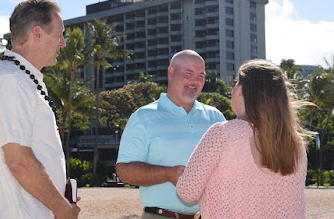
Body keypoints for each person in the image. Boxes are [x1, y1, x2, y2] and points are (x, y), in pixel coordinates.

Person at [0, 0, 80, 218]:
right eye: (60, 34)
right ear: (38, 34)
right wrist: (63, 209)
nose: (63, 43)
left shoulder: (22, 78)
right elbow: (19, 161)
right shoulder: (10, 80)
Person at [176, 59, 310, 218]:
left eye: (235, 82)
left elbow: (187, 192)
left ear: (241, 90)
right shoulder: (297, 146)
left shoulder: (223, 134)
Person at [116, 50, 225, 218]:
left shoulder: (216, 117)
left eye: (201, 76)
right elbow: (124, 171)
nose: (194, 82)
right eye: (188, 74)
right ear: (171, 73)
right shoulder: (143, 117)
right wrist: (168, 174)